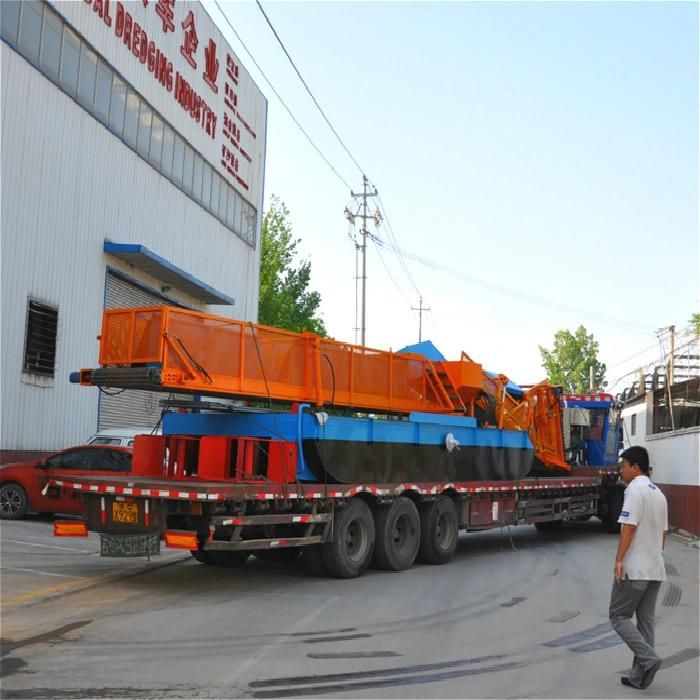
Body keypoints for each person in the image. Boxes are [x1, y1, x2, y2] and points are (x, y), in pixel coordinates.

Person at [609, 445, 668, 690]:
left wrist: (620, 560)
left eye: (623, 466)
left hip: (636, 569)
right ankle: (639, 676)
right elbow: (664, 533)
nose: (621, 471)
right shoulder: (658, 493)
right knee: (645, 623)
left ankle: (649, 659)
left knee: (618, 616)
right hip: (655, 567)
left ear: (635, 467)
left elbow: (629, 527)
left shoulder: (634, 490)